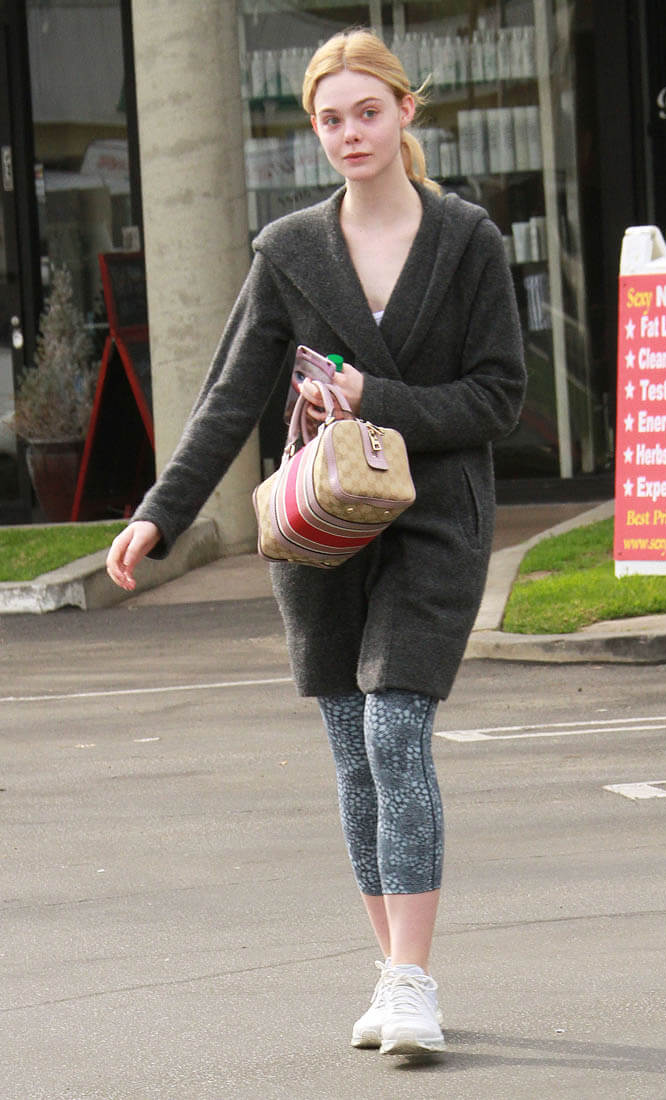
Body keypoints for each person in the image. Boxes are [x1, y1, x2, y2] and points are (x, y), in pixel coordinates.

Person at [106, 28, 525, 1057]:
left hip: (433, 516)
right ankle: (391, 968)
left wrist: (371, 394)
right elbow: (230, 397)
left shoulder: (467, 240)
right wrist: (160, 511)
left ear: (405, 112)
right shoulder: (289, 252)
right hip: (320, 525)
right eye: (331, 119)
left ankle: (413, 979)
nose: (350, 133)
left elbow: (498, 398)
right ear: (315, 131)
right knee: (351, 750)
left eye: (367, 112)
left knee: (394, 731)